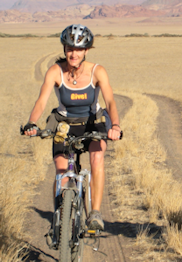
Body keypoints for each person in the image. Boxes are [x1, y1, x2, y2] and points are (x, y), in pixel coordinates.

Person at [23, 24, 121, 232]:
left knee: (96, 158)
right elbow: (42, 101)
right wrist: (32, 123)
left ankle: (94, 213)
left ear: (86, 51)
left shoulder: (97, 71)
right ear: (65, 49)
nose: (73, 53)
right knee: (62, 172)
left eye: (78, 49)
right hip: (65, 126)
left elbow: (110, 101)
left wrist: (116, 127)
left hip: (93, 123)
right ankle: (59, 218)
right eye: (69, 48)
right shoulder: (55, 71)